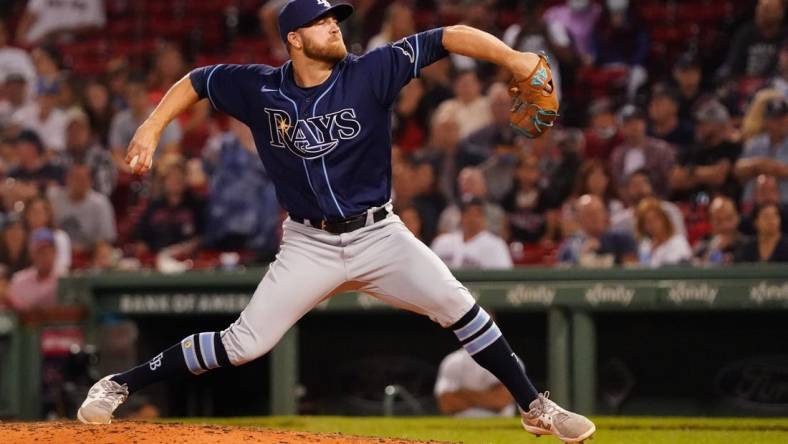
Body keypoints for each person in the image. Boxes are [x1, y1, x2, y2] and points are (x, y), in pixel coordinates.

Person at [77, 2, 595, 442]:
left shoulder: (372, 71)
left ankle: (534, 407)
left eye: (337, 20)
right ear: (295, 39)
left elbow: (450, 36)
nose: (335, 27)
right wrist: (151, 126)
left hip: (380, 234)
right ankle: (120, 383)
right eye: (324, 22)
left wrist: (514, 58)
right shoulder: (259, 89)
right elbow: (197, 81)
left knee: (462, 309)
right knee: (244, 345)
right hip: (309, 243)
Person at [435, 325, 517, 417]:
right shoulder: (452, 361)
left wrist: (464, 394)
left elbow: (501, 400)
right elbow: (447, 403)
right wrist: (487, 397)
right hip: (462, 426)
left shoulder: (508, 359)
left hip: (501, 424)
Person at [670, 99, 742, 203]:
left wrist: (691, 173)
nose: (699, 127)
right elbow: (675, 180)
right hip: (691, 206)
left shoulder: (731, 148)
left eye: (704, 123)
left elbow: (718, 176)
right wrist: (705, 174)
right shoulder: (693, 150)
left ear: (719, 124)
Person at [609, 104, 676, 198]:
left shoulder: (661, 149)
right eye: (629, 123)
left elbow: (670, 181)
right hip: (628, 205)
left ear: (644, 124)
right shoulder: (618, 155)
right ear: (621, 128)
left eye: (638, 121)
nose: (634, 126)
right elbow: (618, 185)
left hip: (658, 202)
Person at [48, 163, 116, 252]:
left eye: (83, 179)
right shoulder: (53, 197)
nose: (78, 183)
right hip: (56, 252)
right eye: (75, 178)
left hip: (89, 254)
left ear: (91, 182)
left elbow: (106, 239)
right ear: (67, 179)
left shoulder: (100, 203)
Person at [431, 197, 513, 269]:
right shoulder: (441, 242)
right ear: (461, 216)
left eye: (477, 213)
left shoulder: (495, 244)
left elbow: (504, 277)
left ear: (483, 217)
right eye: (467, 212)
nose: (472, 218)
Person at [735, 97, 788, 206]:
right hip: (754, 205)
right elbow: (738, 169)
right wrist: (758, 164)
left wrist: (774, 168)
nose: (781, 121)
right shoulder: (755, 143)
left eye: (784, 116)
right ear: (766, 121)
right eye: (775, 118)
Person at [716, 0, 786, 82]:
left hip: (775, 86)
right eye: (759, 7)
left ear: (781, 12)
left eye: (768, 8)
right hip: (745, 83)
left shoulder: (785, 37)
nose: (761, 12)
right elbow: (733, 66)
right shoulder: (746, 33)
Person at [558, 194, 637, 267]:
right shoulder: (570, 246)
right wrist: (582, 254)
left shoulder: (623, 239)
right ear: (579, 219)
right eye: (589, 214)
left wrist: (604, 247)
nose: (595, 218)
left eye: (598, 212)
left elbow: (631, 269)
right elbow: (563, 272)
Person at [6, 228, 60, 312]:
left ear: (55, 253)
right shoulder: (18, 280)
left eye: (49, 251)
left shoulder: (64, 280)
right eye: (40, 252)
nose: (45, 257)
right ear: (32, 254)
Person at [15, 0, 105, 46]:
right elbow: (30, 14)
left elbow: (95, 25)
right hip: (36, 42)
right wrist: (21, 39)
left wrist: (61, 31)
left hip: (69, 45)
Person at [635, 198, 691, 267]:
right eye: (647, 222)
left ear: (664, 219)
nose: (652, 225)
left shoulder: (678, 242)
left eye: (655, 219)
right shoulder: (645, 245)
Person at [22, 196, 70, 274]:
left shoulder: (60, 237)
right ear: (26, 215)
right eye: (32, 212)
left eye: (39, 212)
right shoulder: (23, 238)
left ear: (48, 215)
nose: (36, 216)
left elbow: (63, 267)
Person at [694, 197, 747, 265]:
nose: (725, 225)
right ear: (711, 222)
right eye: (719, 221)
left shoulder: (748, 246)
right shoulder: (702, 246)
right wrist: (714, 249)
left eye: (729, 218)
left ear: (737, 217)